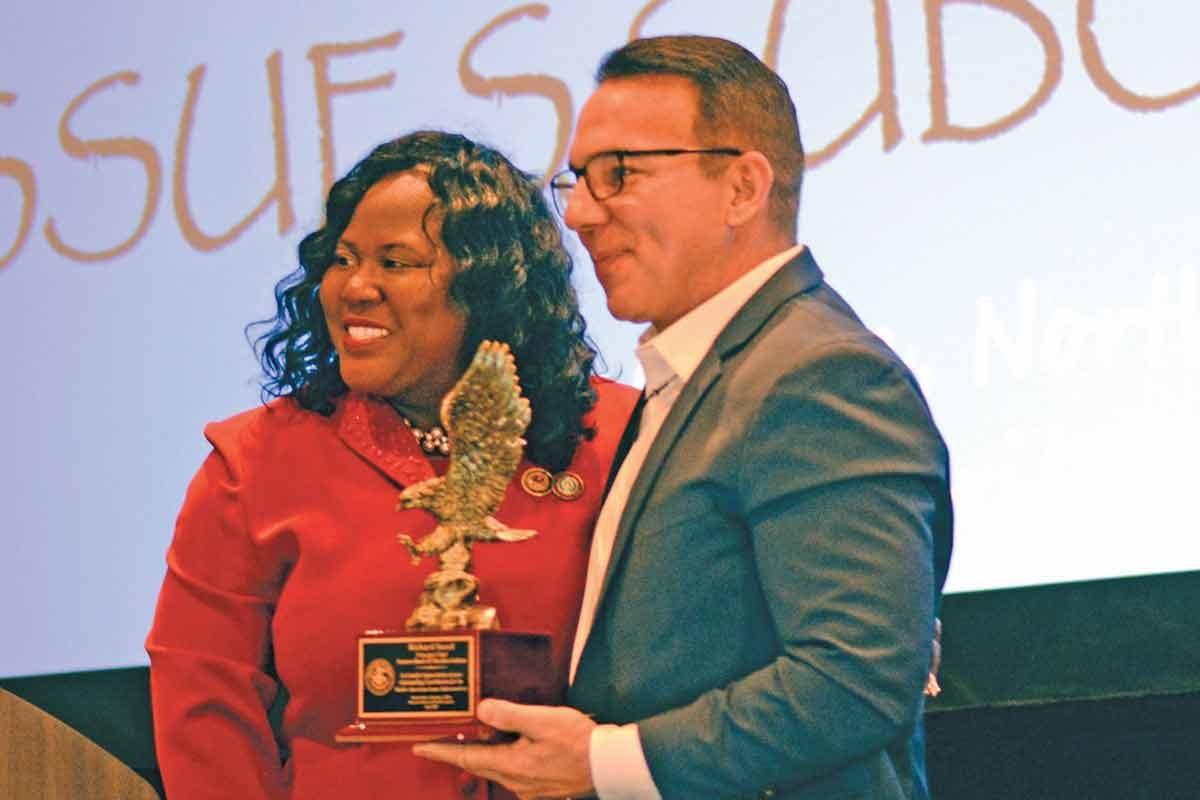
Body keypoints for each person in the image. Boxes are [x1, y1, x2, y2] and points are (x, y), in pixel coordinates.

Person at [413, 35, 953, 800]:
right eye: (576, 180)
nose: (577, 214)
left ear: (742, 187)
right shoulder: (698, 373)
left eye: (619, 175)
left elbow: (856, 680)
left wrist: (603, 763)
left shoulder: (820, 373)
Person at [145, 130, 639, 799]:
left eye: (396, 262)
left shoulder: (620, 439)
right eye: (344, 259)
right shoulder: (253, 464)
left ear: (488, 285)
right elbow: (207, 721)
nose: (356, 287)